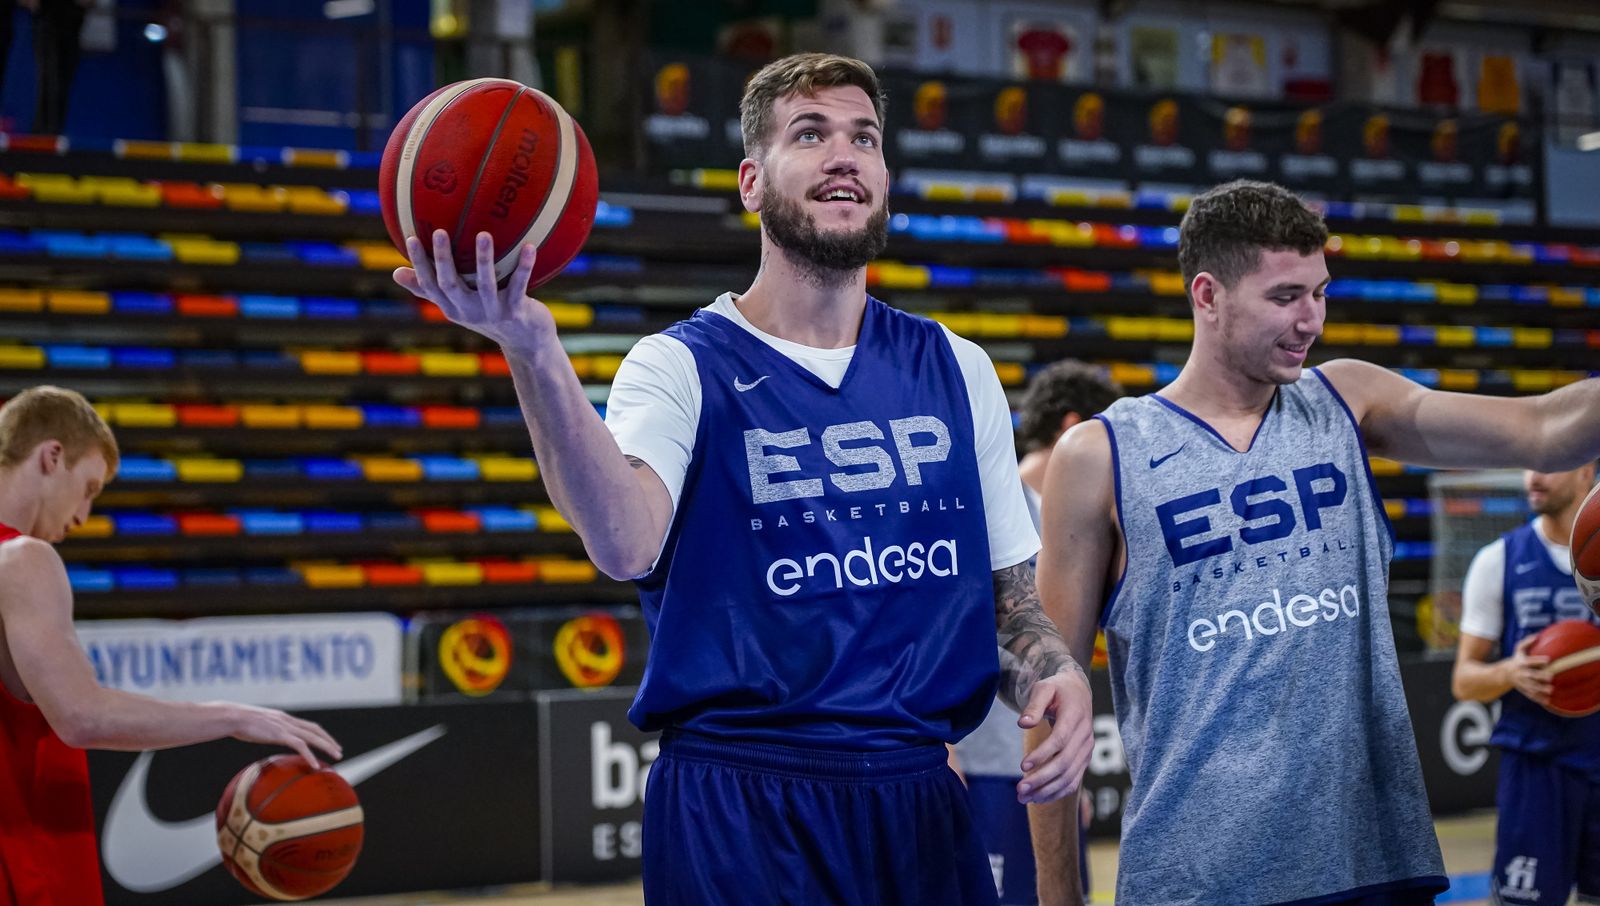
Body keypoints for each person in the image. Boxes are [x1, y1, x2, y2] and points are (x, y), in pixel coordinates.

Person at [395, 52, 1093, 906]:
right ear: (751, 182)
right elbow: (623, 543)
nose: (846, 154)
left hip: (917, 794)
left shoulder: (957, 367)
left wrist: (1055, 671)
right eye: (811, 133)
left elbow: (1005, 598)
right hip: (739, 800)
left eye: (864, 137)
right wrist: (534, 353)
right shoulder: (679, 365)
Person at [1029, 179, 1600, 906]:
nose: (1312, 320)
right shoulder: (1100, 455)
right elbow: (1053, 697)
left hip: (1372, 860)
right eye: (1285, 297)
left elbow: (1545, 429)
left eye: (1320, 292)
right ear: (1207, 295)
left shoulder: (1349, 400)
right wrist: (1056, 894)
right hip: (1195, 878)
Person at [0, 385, 342, 905]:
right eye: (89, 487)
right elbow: (82, 716)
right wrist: (232, 716)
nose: (83, 517)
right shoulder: (23, 557)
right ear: (51, 456)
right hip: (27, 868)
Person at [953, 360, 1121, 905]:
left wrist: (1068, 783)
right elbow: (935, 635)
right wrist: (939, 746)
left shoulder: (1077, 530)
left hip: (1037, 774)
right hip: (980, 773)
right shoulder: (986, 511)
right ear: (1073, 427)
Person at [1451, 463, 1599, 906]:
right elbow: (1463, 681)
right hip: (1537, 767)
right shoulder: (1499, 560)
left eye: (1552, 464)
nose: (1534, 475)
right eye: (1529, 463)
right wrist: (1509, 673)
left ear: (1586, 471)